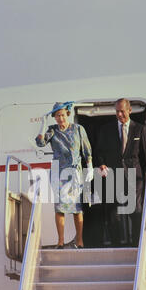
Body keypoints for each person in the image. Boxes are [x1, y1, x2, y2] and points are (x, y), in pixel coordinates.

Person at [97, 98, 146, 247]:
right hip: (113, 176)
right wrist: (101, 163)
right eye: (117, 111)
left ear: (129, 110)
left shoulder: (139, 129)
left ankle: (136, 245)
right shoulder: (106, 129)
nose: (120, 114)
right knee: (113, 214)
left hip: (135, 177)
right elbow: (99, 151)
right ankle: (116, 245)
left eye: (122, 111)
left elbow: (145, 154)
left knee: (135, 211)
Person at [35, 102, 93, 249]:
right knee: (60, 208)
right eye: (57, 116)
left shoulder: (78, 129)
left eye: (62, 115)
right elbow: (40, 143)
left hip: (75, 173)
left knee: (77, 208)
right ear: (54, 117)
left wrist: (90, 166)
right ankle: (60, 241)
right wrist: (43, 125)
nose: (60, 118)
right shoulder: (52, 131)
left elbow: (87, 150)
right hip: (58, 173)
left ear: (67, 114)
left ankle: (79, 240)